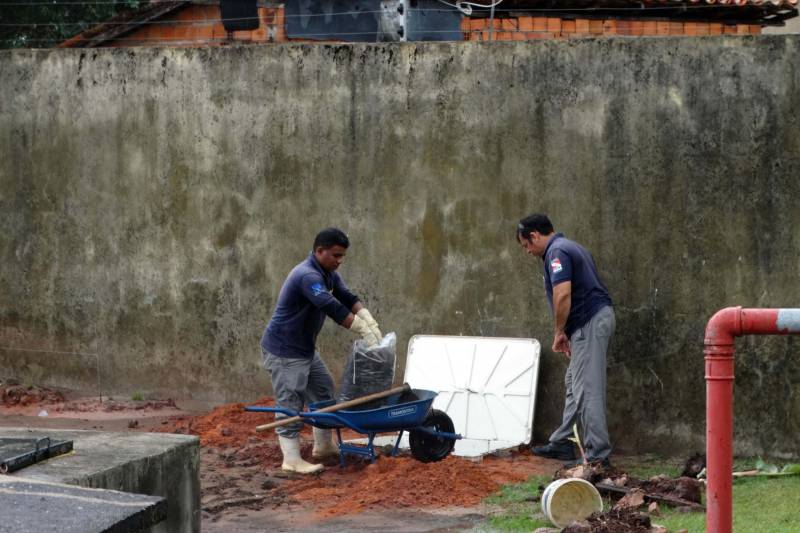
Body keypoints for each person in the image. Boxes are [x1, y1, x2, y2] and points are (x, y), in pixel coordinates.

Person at [260, 227, 382, 474]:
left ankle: (323, 447)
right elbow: (329, 305)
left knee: (323, 390)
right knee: (290, 401)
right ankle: (291, 460)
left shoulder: (327, 273)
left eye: (342, 256)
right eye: (336, 255)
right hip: (285, 352)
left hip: (305, 349)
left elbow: (346, 297)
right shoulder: (307, 276)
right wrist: (360, 328)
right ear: (319, 251)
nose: (340, 261)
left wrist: (367, 317)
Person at [517, 214, 615, 466]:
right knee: (574, 381)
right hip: (588, 322)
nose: (527, 252)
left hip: (589, 322)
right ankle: (563, 442)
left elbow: (563, 295)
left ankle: (598, 455)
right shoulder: (568, 247)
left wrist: (560, 331)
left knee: (587, 389)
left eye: (526, 245)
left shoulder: (557, 252)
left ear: (535, 235)